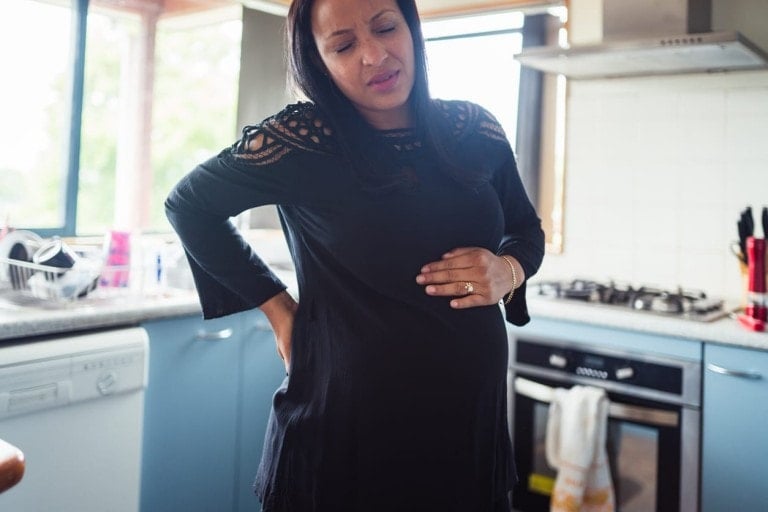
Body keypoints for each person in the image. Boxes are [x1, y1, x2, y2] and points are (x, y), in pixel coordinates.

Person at [165, 0, 545, 510]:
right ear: (317, 61)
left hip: (469, 436)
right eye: (343, 45)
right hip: (340, 442)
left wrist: (509, 270)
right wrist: (278, 310)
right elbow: (189, 205)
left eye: (386, 28)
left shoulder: (474, 131)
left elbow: (524, 229)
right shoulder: (303, 141)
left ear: (411, 29)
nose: (374, 55)